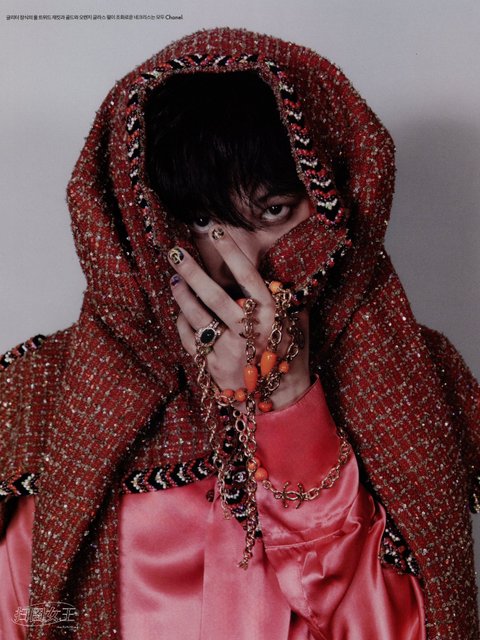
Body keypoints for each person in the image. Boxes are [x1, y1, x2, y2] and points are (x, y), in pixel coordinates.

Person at [0, 27, 478, 640]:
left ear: (330, 205)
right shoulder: (44, 396)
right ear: (141, 222)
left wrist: (289, 402)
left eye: (273, 211)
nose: (238, 262)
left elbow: (411, 629)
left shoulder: (410, 383)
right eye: (202, 220)